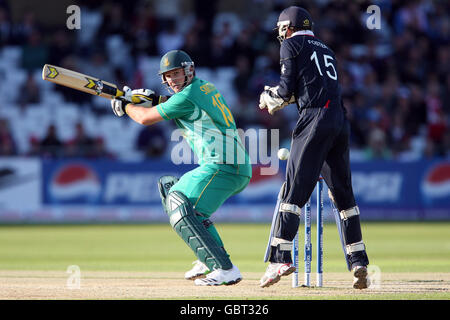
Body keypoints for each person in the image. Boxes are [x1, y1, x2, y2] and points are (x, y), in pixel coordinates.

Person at [110, 50, 252, 286]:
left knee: (180, 202)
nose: (171, 80)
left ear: (189, 71)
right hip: (227, 164)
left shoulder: (188, 96)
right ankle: (208, 257)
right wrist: (152, 99)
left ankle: (225, 269)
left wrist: (125, 106)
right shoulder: (203, 87)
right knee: (171, 191)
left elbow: (145, 118)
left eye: (176, 73)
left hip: (225, 164)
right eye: (167, 76)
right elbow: (176, 105)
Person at [258, 6, 370, 289]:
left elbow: (286, 91)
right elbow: (306, 85)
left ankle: (280, 258)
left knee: (294, 188)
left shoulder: (292, 44)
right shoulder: (326, 48)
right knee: (343, 194)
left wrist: (271, 97)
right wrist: (281, 96)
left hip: (314, 118)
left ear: (289, 27)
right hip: (339, 120)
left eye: (282, 29)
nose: (280, 35)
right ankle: (358, 260)